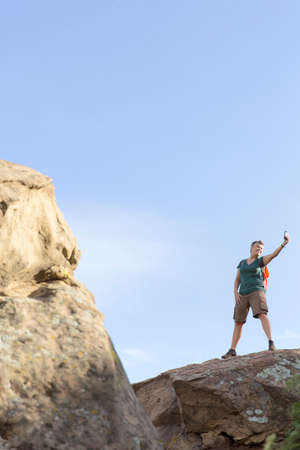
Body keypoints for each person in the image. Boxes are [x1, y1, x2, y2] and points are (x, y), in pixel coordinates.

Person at [222, 233, 290, 359]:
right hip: (242, 294)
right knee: (238, 322)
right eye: (258, 247)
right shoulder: (242, 263)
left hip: (257, 291)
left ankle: (271, 342)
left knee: (262, 314)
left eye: (261, 249)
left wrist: (283, 244)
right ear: (251, 248)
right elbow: (237, 279)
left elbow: (274, 255)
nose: (260, 250)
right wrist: (235, 291)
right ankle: (232, 350)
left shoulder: (260, 261)